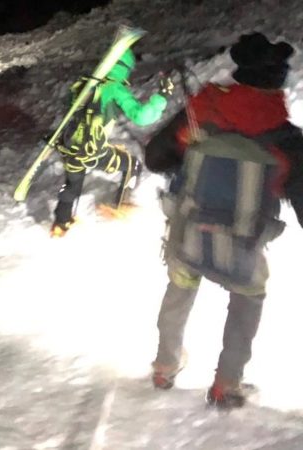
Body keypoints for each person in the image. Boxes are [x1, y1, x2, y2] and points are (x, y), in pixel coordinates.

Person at [145, 32, 303, 409]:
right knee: (249, 297)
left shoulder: (201, 110)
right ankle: (226, 384)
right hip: (242, 247)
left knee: (180, 284)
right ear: (278, 85)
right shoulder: (289, 141)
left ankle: (165, 365)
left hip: (189, 234)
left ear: (241, 72)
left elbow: (156, 158)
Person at [50, 48, 170, 237]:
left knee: (73, 184)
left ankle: (60, 223)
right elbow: (142, 116)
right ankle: (121, 205)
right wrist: (162, 96)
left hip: (71, 147)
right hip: (92, 151)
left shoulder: (84, 84)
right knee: (132, 165)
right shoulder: (114, 87)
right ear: (124, 68)